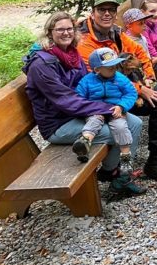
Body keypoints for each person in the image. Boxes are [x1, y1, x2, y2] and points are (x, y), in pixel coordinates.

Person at [22, 12, 145, 195]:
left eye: (69, 28)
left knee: (136, 123)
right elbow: (66, 101)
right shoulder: (42, 64)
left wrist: (115, 97)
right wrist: (107, 109)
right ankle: (114, 174)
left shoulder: (70, 53)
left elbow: (88, 81)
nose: (66, 33)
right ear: (49, 33)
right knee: (124, 129)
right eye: (60, 29)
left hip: (79, 113)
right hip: (59, 123)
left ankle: (110, 171)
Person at [78, 0, 157, 181]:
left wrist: (149, 79)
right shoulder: (86, 42)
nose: (107, 14)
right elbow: (100, 76)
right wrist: (139, 89)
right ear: (92, 12)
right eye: (102, 10)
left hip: (125, 84)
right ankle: (155, 163)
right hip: (107, 96)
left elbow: (139, 52)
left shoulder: (115, 32)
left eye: (111, 10)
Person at [73, 48, 138, 175]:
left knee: (121, 127)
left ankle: (125, 157)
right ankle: (85, 142)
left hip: (115, 110)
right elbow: (79, 97)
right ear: (97, 69)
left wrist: (121, 106)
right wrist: (88, 108)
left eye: (115, 65)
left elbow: (131, 93)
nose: (114, 69)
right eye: (110, 67)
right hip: (96, 110)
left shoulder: (120, 78)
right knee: (93, 121)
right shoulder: (87, 81)